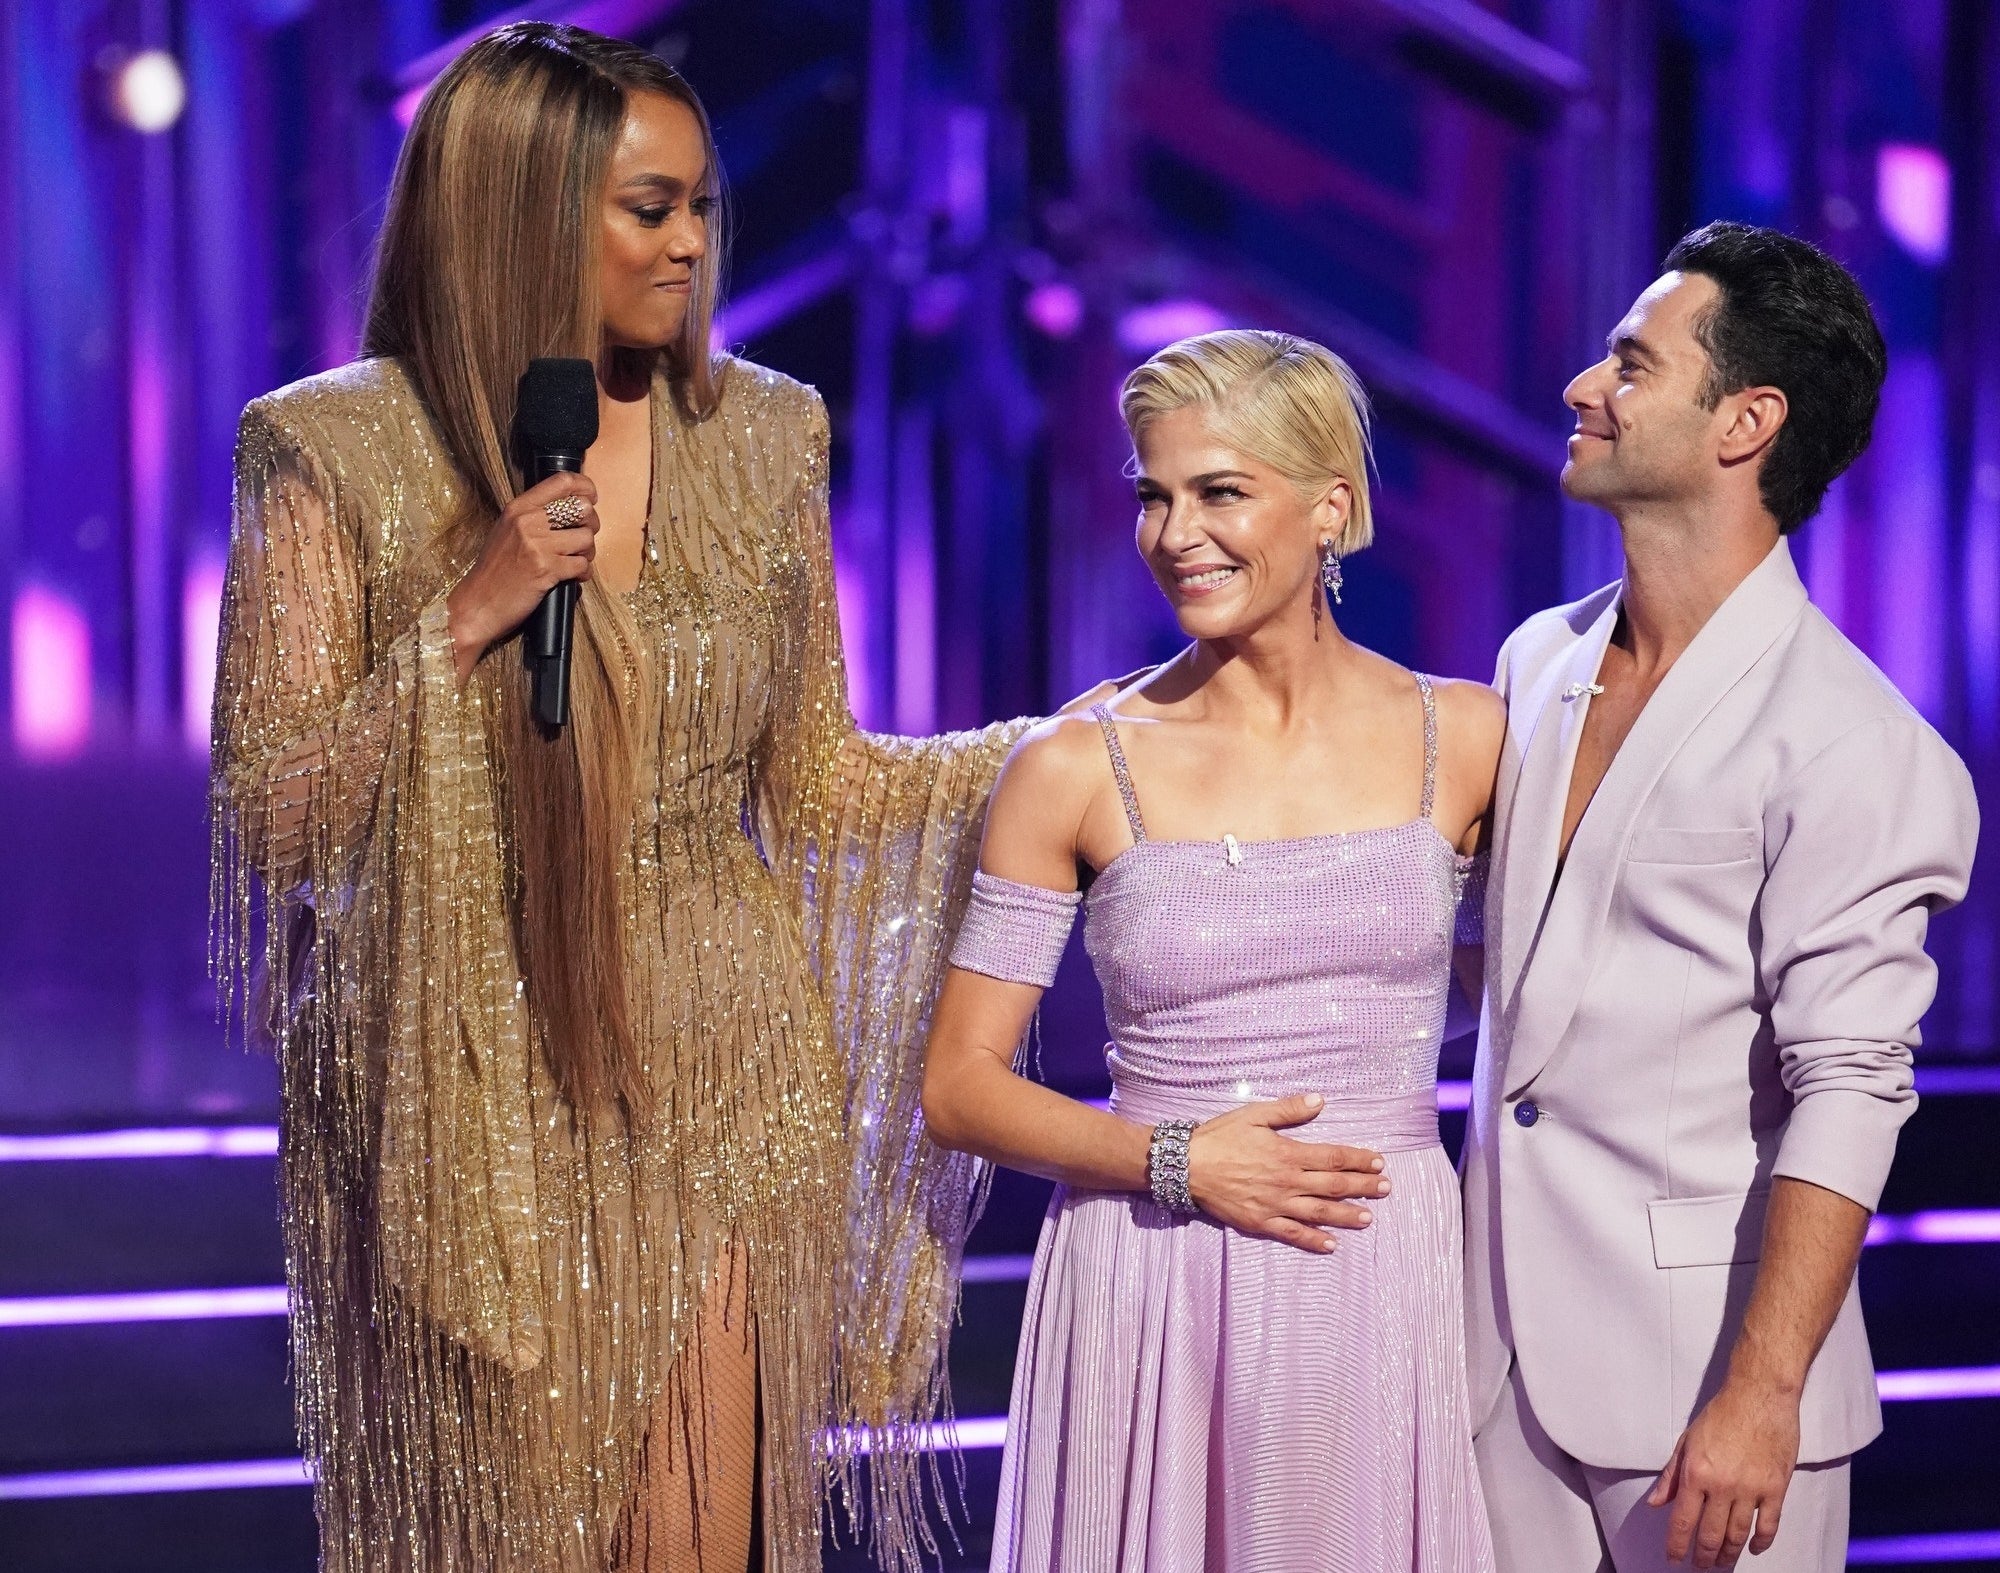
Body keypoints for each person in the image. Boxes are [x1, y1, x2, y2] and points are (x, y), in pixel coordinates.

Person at [211, 23, 1037, 1572]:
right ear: (525, 208)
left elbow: (820, 777)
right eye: (647, 207)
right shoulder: (333, 448)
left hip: (722, 1058)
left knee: (692, 1537)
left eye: (702, 205)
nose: (691, 241)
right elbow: (277, 816)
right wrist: (468, 614)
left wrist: (1062, 753)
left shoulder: (764, 432)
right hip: (461, 1092)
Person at [923, 329, 1505, 1570]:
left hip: (1377, 1272)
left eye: (1219, 491)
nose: (1174, 532)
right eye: (1151, 493)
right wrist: (1180, 1160)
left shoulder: (1461, 736)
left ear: (1330, 509)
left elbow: (1487, 987)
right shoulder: (1074, 763)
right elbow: (957, 1087)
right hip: (1151, 1276)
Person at [1461, 221, 1979, 1573]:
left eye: (1632, 362)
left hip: (1705, 1394)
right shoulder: (1537, 660)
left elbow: (1853, 1084)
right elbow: (1530, 972)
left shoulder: (1853, 740)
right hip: (1485, 1364)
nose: (1584, 386)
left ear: (1746, 420)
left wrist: (1762, 1395)